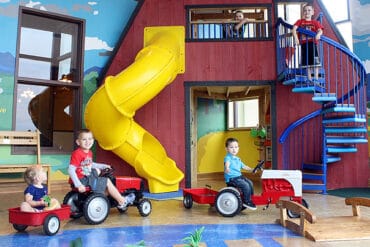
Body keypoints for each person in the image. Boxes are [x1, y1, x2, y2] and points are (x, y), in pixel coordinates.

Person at [68, 129, 134, 210]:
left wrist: (104, 166)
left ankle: (104, 194)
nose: (87, 141)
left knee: (97, 170)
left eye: (90, 139)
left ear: (93, 140)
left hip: (85, 176)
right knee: (107, 181)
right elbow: (71, 170)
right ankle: (122, 201)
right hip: (82, 180)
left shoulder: (89, 152)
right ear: (78, 142)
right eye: (84, 139)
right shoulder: (77, 153)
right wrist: (78, 184)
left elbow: (90, 164)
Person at [292, 4, 324, 83]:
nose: (307, 12)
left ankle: (316, 78)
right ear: (303, 13)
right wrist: (296, 38)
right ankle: (309, 79)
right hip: (304, 44)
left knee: (315, 61)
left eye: (309, 10)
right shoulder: (300, 21)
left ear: (313, 12)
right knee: (307, 62)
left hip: (312, 44)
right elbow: (294, 29)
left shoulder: (315, 22)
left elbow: (320, 30)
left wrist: (318, 34)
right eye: (305, 10)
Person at [223, 137, 256, 210]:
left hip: (239, 177)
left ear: (238, 148)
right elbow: (227, 164)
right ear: (227, 149)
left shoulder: (238, 159)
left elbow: (244, 166)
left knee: (250, 183)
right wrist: (227, 168)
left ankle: (250, 198)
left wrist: (251, 169)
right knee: (245, 185)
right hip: (232, 179)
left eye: (236, 147)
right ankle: (247, 201)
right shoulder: (228, 158)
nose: (234, 149)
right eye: (231, 147)